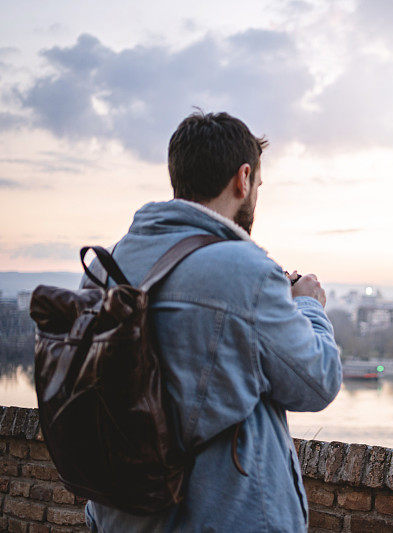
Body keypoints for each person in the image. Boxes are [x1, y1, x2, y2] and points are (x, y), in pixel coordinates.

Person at [81, 111, 342, 532]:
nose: (255, 193)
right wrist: (309, 305)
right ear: (243, 179)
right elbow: (317, 381)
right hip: (222, 517)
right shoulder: (247, 269)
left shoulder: (106, 264)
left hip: (118, 515)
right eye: (257, 184)